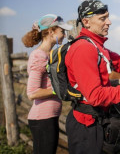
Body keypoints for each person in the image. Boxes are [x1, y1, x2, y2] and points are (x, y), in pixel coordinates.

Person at [65, 0, 120, 154]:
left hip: (98, 121)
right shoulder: (84, 49)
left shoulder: (97, 46)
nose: (109, 22)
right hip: (87, 126)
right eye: (102, 18)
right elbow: (95, 96)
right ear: (86, 22)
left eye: (108, 17)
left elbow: (118, 64)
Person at [22, 14, 73, 154]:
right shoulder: (39, 56)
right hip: (42, 119)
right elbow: (32, 93)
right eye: (62, 31)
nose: (64, 35)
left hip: (49, 117)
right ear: (51, 32)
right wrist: (59, 90)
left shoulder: (49, 54)